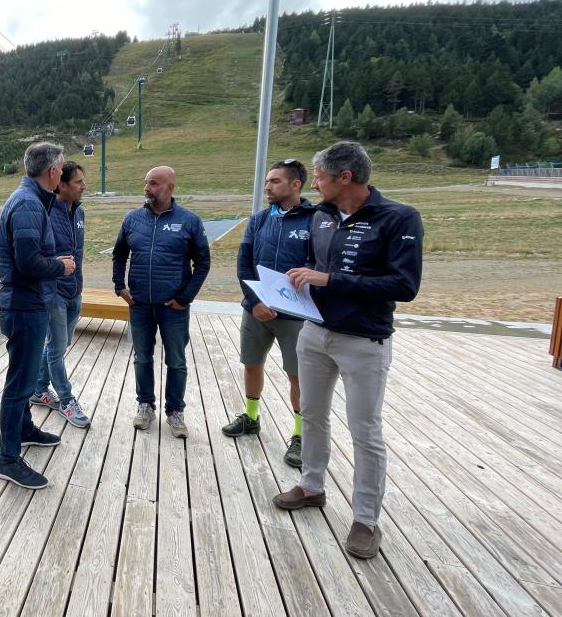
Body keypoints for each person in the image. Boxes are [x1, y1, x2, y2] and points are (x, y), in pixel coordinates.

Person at [272, 141, 423, 560]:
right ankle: (312, 486)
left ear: (345, 177)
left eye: (318, 176)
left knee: (365, 430)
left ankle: (366, 519)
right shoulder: (322, 216)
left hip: (364, 341)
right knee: (313, 415)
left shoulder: (399, 218)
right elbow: (311, 266)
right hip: (315, 333)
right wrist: (291, 286)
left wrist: (328, 280)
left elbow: (404, 286)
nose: (313, 183)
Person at [0, 142, 77, 489]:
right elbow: (28, 262)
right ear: (54, 172)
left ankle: (24, 430)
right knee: (19, 385)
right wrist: (61, 265)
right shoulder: (28, 204)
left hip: (29, 304)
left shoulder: (31, 199)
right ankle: (7, 459)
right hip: (25, 306)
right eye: (61, 167)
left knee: (25, 381)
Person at [224, 159, 316, 468]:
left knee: (298, 375)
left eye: (275, 181)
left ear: (295, 184)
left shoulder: (315, 220)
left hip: (295, 316)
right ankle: (251, 417)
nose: (267, 187)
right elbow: (244, 263)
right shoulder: (259, 220)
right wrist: (253, 303)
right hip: (257, 310)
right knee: (251, 364)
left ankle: (301, 436)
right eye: (267, 181)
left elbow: (319, 266)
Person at [112, 166, 211, 438]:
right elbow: (119, 254)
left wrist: (185, 298)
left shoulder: (189, 221)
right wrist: (119, 286)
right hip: (140, 305)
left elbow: (203, 263)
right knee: (142, 358)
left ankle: (175, 411)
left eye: (154, 183)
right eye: (146, 183)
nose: (147, 188)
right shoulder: (132, 219)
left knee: (176, 361)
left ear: (170, 187)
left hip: (173, 308)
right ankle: (145, 405)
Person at [30, 161, 91, 428]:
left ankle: (39, 389)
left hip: (74, 290)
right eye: (78, 182)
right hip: (52, 293)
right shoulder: (43, 213)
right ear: (62, 184)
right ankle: (66, 400)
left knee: (59, 345)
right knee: (56, 349)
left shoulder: (80, 214)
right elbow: (36, 256)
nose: (83, 186)